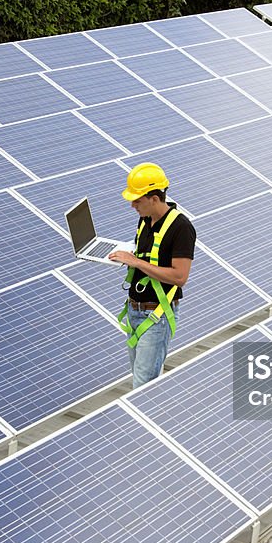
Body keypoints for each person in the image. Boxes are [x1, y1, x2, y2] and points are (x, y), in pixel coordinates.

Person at [108, 163, 196, 388]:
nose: (132, 205)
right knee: (139, 379)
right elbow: (149, 256)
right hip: (135, 311)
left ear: (154, 198)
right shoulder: (146, 220)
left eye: (137, 200)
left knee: (144, 386)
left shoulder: (181, 228)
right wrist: (128, 257)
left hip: (156, 316)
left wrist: (136, 262)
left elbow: (179, 277)